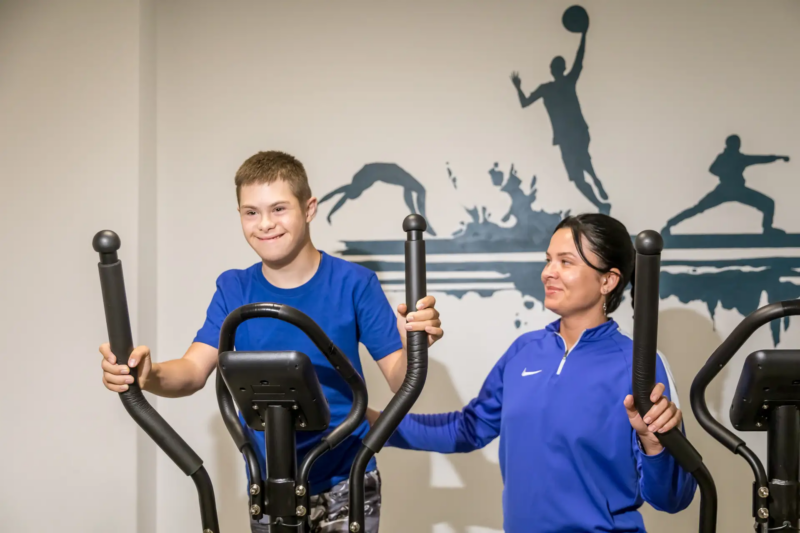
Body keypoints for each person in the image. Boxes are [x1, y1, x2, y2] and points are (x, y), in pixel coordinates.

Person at [99, 151, 445, 533]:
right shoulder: (234, 288)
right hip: (269, 482)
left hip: (345, 478)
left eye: (279, 209)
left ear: (309, 208)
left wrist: (415, 346)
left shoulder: (355, 283)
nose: (265, 224)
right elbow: (192, 371)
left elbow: (399, 378)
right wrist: (147, 374)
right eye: (251, 212)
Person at [370, 213, 696, 533]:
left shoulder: (640, 364)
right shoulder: (525, 350)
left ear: (607, 281)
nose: (548, 272)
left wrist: (653, 445)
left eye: (566, 262)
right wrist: (372, 423)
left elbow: (673, 498)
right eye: (548, 260)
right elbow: (467, 429)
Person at [511, 27, 611, 216]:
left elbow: (579, 59)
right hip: (568, 136)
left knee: (581, 165)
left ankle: (597, 183)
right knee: (578, 175)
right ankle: (599, 199)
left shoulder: (562, 84)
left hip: (575, 133)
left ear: (556, 69)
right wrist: (518, 88)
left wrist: (584, 36)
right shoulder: (551, 87)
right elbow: (525, 103)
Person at [663, 134, 790, 236]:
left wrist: (777, 157)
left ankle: (767, 229)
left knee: (768, 203)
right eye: (736, 144)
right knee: (698, 208)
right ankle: (669, 225)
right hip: (726, 190)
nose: (737, 146)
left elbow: (759, 159)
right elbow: (712, 169)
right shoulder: (726, 157)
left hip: (735, 191)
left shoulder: (740, 158)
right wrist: (726, 173)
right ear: (730, 145)